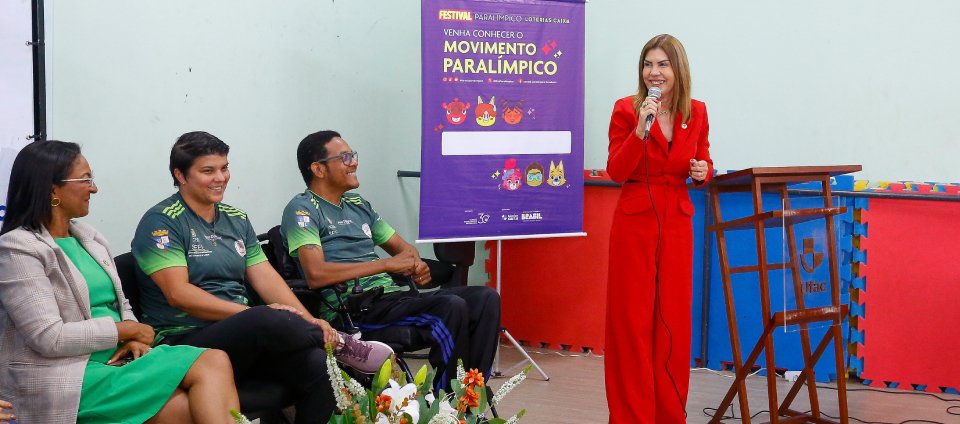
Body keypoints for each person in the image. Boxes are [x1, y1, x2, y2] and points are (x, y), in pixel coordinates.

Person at [131, 131, 392, 424]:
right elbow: (179, 294)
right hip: (187, 340)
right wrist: (252, 316)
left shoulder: (236, 218)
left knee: (320, 368)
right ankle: (341, 344)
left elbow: (266, 278)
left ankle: (328, 341)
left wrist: (311, 319)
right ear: (180, 175)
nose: (220, 177)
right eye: (208, 171)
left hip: (248, 337)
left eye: (224, 167)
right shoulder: (163, 221)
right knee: (266, 317)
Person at [0, 140, 240, 424]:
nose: (94, 188)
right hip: (69, 374)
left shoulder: (89, 237)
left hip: (119, 358)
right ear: (53, 188)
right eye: (86, 179)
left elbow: (121, 302)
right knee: (189, 407)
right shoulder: (18, 247)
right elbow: (48, 337)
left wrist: (132, 336)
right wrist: (123, 330)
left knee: (214, 361)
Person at [280, 130, 501, 388]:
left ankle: (470, 397)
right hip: (354, 310)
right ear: (318, 169)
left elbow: (404, 250)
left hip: (393, 299)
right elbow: (315, 274)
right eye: (345, 157)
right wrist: (385, 264)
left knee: (485, 299)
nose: (354, 162)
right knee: (450, 307)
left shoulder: (357, 204)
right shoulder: (302, 209)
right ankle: (448, 404)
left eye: (353, 155)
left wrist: (416, 264)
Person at [604, 34, 713, 424]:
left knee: (672, 325)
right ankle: (632, 416)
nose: (654, 71)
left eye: (663, 64)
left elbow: (702, 161)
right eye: (648, 64)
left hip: (677, 225)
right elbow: (617, 171)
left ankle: (669, 415)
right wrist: (640, 130)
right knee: (631, 325)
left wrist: (703, 171)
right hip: (635, 224)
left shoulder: (696, 112)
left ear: (677, 69)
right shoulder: (626, 110)